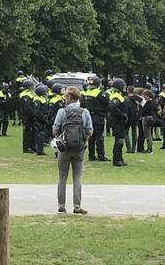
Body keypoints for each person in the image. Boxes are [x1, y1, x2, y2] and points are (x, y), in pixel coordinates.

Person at [52, 86, 92, 215]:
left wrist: (60, 137)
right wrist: (83, 139)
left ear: (69, 97)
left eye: (65, 96)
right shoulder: (84, 112)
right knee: (77, 177)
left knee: (62, 177)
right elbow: (89, 130)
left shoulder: (62, 112)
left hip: (64, 148)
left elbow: (55, 129)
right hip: (79, 148)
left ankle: (61, 205)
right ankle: (77, 205)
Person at [80, 75, 109, 161]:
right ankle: (101, 155)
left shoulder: (86, 93)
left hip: (89, 117)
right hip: (98, 116)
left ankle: (91, 155)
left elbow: (83, 105)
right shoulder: (99, 93)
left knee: (91, 136)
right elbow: (107, 102)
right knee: (99, 136)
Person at [107, 79, 128, 167]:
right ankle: (116, 160)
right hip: (117, 121)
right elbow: (113, 107)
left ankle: (120, 158)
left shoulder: (118, 95)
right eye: (123, 86)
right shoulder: (116, 96)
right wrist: (123, 115)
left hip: (119, 121)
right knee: (119, 140)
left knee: (120, 140)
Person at [18, 78, 36, 153]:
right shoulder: (25, 95)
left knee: (32, 131)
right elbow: (27, 107)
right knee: (27, 131)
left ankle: (32, 146)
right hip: (26, 116)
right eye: (31, 86)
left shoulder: (29, 94)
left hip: (29, 116)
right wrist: (33, 113)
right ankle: (26, 147)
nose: (32, 88)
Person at [31, 84, 50, 155]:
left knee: (42, 134)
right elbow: (37, 111)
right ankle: (39, 150)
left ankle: (40, 148)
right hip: (39, 120)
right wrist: (44, 119)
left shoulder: (42, 98)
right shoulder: (37, 100)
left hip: (42, 118)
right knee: (40, 134)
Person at [124, 85, 141, 154]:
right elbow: (141, 101)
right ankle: (134, 148)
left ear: (127, 90)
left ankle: (129, 148)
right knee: (134, 132)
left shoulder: (126, 98)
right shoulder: (136, 97)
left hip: (128, 117)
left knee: (125, 132)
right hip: (135, 116)